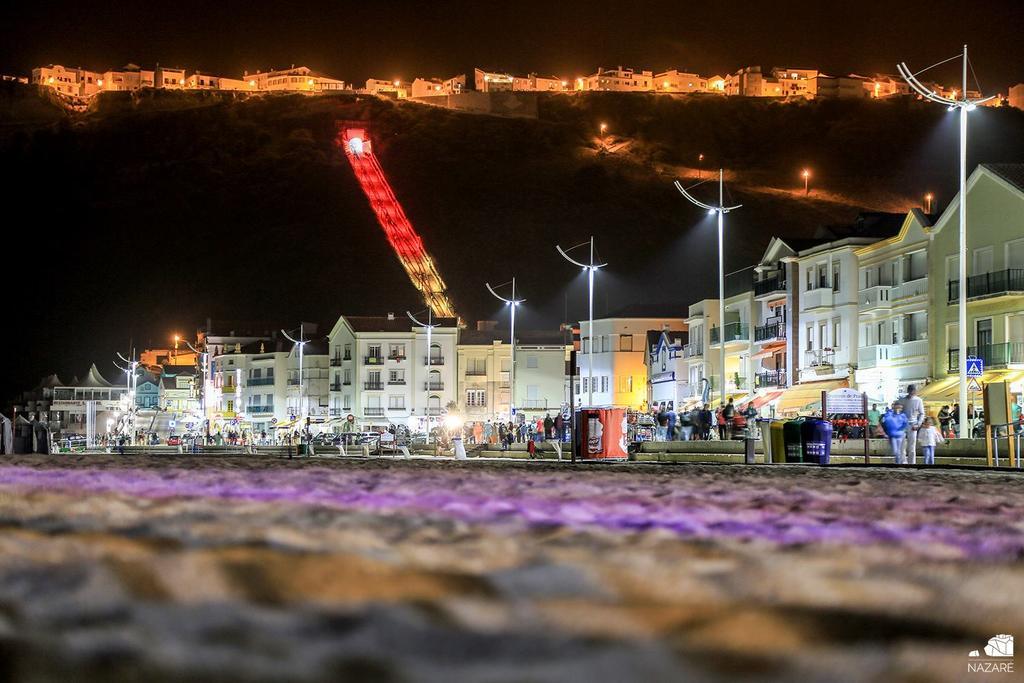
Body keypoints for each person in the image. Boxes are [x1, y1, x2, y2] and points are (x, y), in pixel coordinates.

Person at [899, 385, 925, 464]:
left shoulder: (918, 400)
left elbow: (922, 413)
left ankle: (912, 463)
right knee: (902, 445)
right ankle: (903, 462)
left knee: (912, 446)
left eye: (913, 391)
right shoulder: (902, 400)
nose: (911, 392)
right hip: (903, 424)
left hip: (913, 424)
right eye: (910, 391)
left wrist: (918, 424)